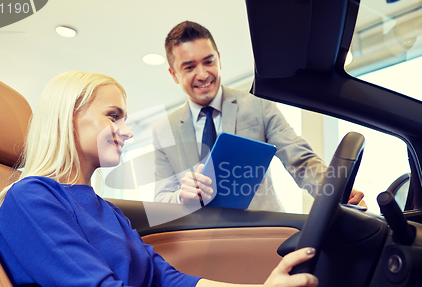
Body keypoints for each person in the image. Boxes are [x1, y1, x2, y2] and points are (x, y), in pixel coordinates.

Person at [0, 71, 322, 287]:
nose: (128, 131)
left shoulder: (107, 210)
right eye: (113, 116)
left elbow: (169, 280)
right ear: (70, 116)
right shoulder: (29, 199)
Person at [152, 21, 365, 211]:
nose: (202, 74)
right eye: (189, 67)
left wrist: (337, 192)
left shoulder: (257, 104)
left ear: (219, 60)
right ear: (174, 74)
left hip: (261, 233)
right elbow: (161, 198)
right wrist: (182, 197)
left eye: (209, 62)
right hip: (201, 241)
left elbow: (300, 160)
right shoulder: (163, 131)